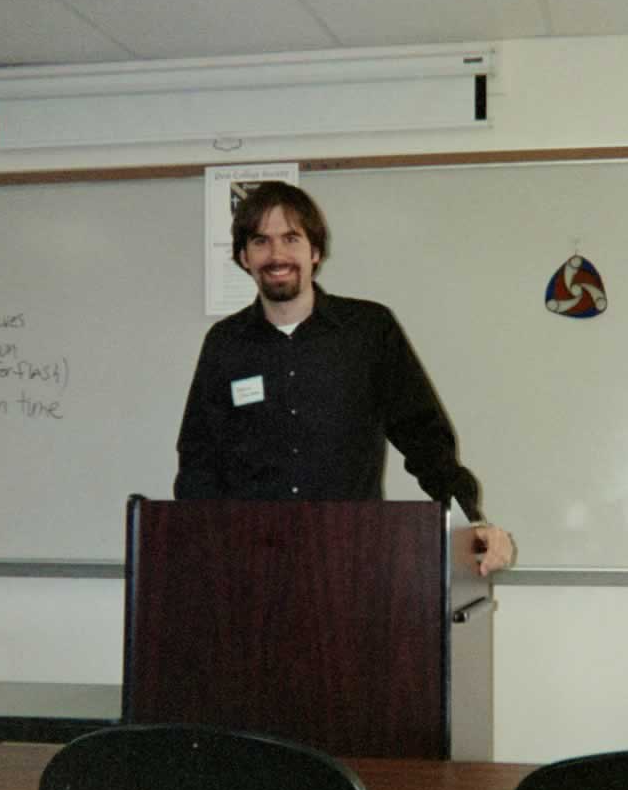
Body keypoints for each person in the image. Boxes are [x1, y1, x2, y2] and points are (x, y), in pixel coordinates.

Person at [174, 181, 516, 575]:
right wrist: (198, 544)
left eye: (291, 238)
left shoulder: (368, 331)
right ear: (243, 257)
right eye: (261, 242)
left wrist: (470, 519)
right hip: (251, 566)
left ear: (315, 251)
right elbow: (199, 459)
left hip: (352, 562)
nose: (277, 254)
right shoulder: (225, 344)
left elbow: (423, 436)